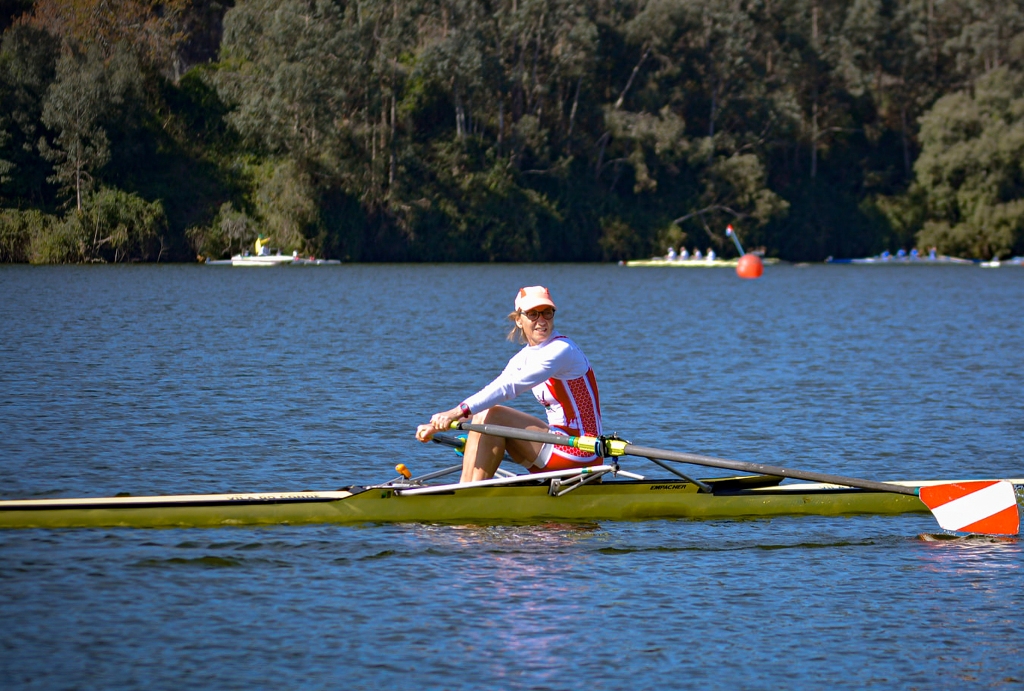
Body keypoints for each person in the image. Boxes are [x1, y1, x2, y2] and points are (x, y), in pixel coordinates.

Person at [416, 286, 603, 483]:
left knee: (494, 415)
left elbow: (508, 388)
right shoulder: (524, 358)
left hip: (583, 451)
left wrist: (454, 413)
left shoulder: (561, 350)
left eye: (547, 313)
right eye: (533, 314)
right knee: (485, 413)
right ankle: (466, 488)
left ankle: (468, 495)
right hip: (557, 442)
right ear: (519, 320)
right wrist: (435, 426)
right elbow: (493, 392)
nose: (542, 321)